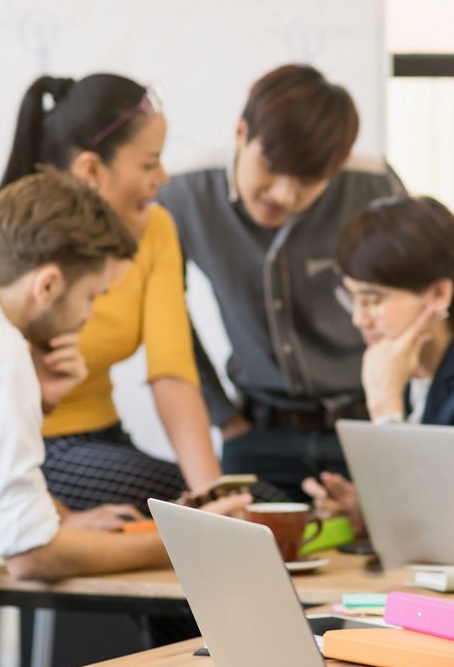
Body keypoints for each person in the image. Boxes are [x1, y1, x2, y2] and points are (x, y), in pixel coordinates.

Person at [0, 73, 278, 513]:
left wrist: (214, 496)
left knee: (262, 503)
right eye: (149, 164)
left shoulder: (156, 229)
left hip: (108, 439)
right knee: (186, 505)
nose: (163, 177)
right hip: (34, 447)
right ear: (91, 169)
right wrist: (57, 517)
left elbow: (172, 371)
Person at [0, 173, 248, 584]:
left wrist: (43, 403)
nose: (90, 315)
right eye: (92, 296)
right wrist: (193, 540)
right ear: (47, 285)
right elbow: (31, 557)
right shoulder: (0, 353)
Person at [158, 64, 408, 502]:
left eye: (309, 182)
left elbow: (413, 299)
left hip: (364, 429)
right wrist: (225, 420)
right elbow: (165, 319)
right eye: (271, 169)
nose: (285, 196)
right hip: (254, 435)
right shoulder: (183, 195)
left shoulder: (372, 185)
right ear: (241, 133)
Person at [302, 195, 454, 544]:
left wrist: (386, 410)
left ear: (439, 295)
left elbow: (435, 520)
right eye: (351, 297)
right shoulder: (401, 367)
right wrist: (362, 509)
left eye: (373, 299)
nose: (358, 317)